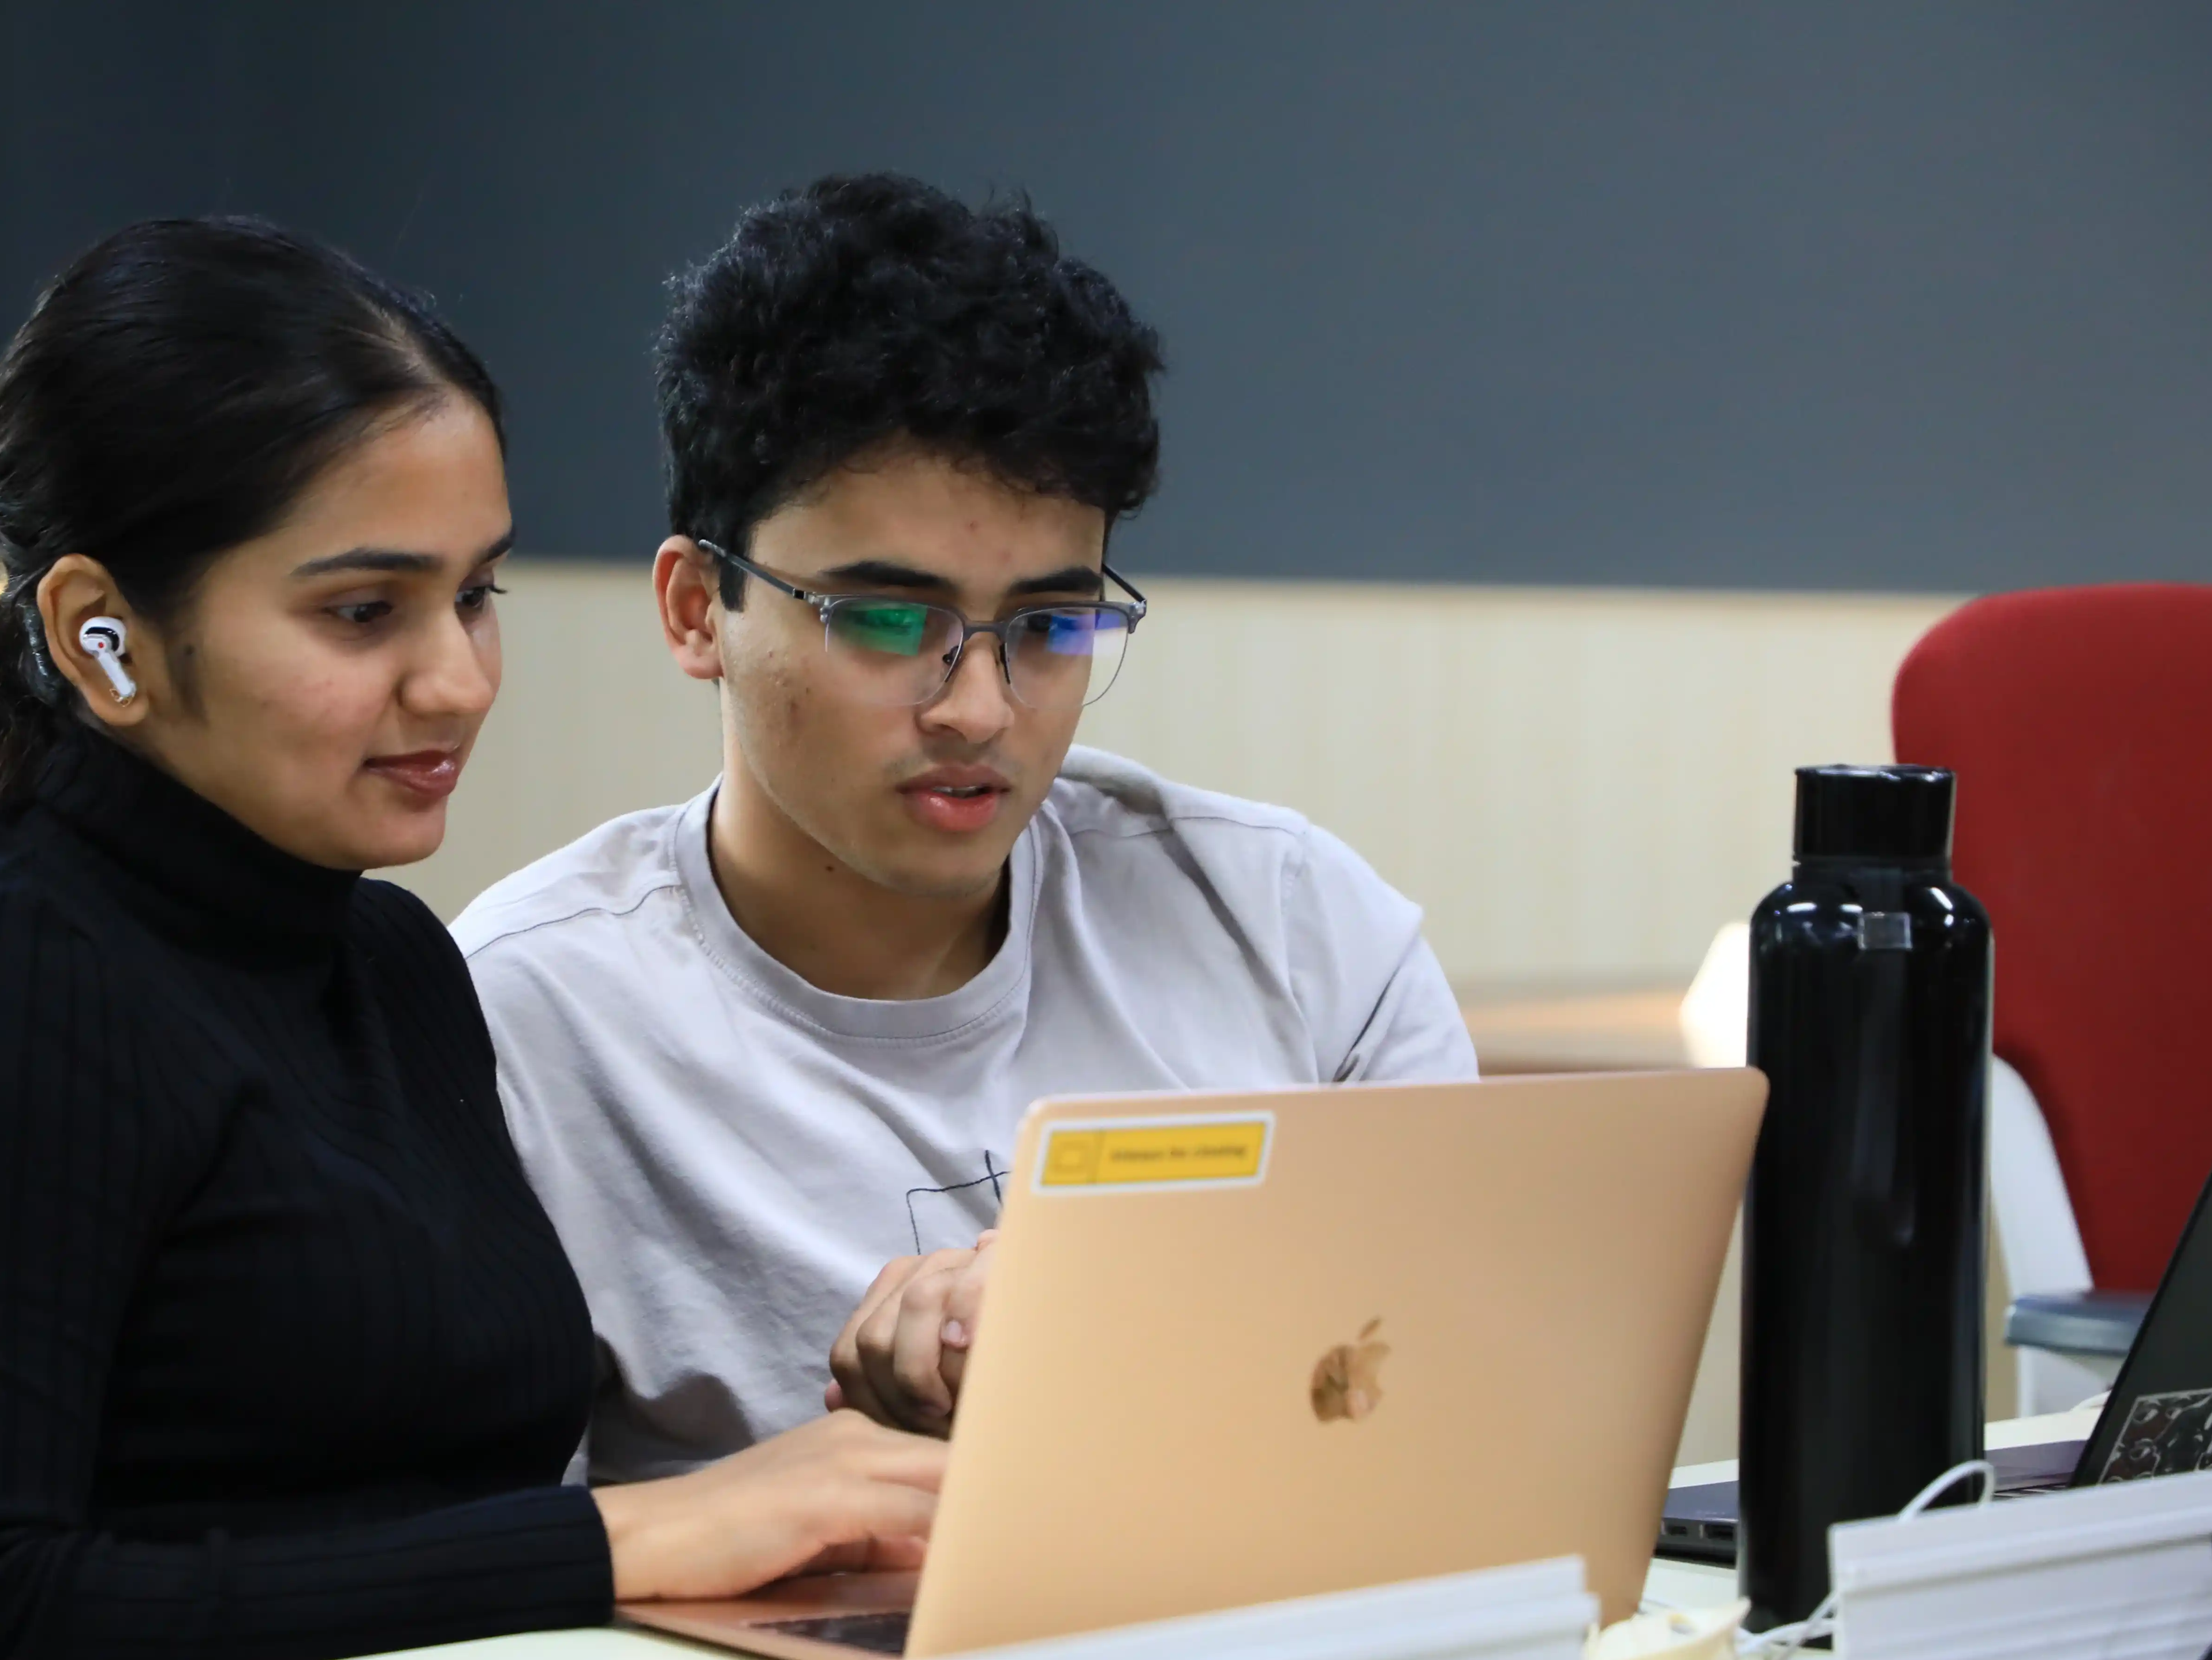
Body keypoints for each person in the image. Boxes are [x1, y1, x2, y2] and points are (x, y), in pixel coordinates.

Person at [0, 217, 941, 1660]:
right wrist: (617, 1542)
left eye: (476, 595)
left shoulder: (388, 959)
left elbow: (419, 1522)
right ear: (101, 635)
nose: (459, 681)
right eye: (362, 612)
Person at [455, 177, 1476, 1481]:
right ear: (698, 609)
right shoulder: (523, 1025)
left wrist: (1120, 1314)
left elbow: (1475, 1403)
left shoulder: (1295, 931)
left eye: (1051, 626)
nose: (980, 708)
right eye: (889, 620)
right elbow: (482, 1578)